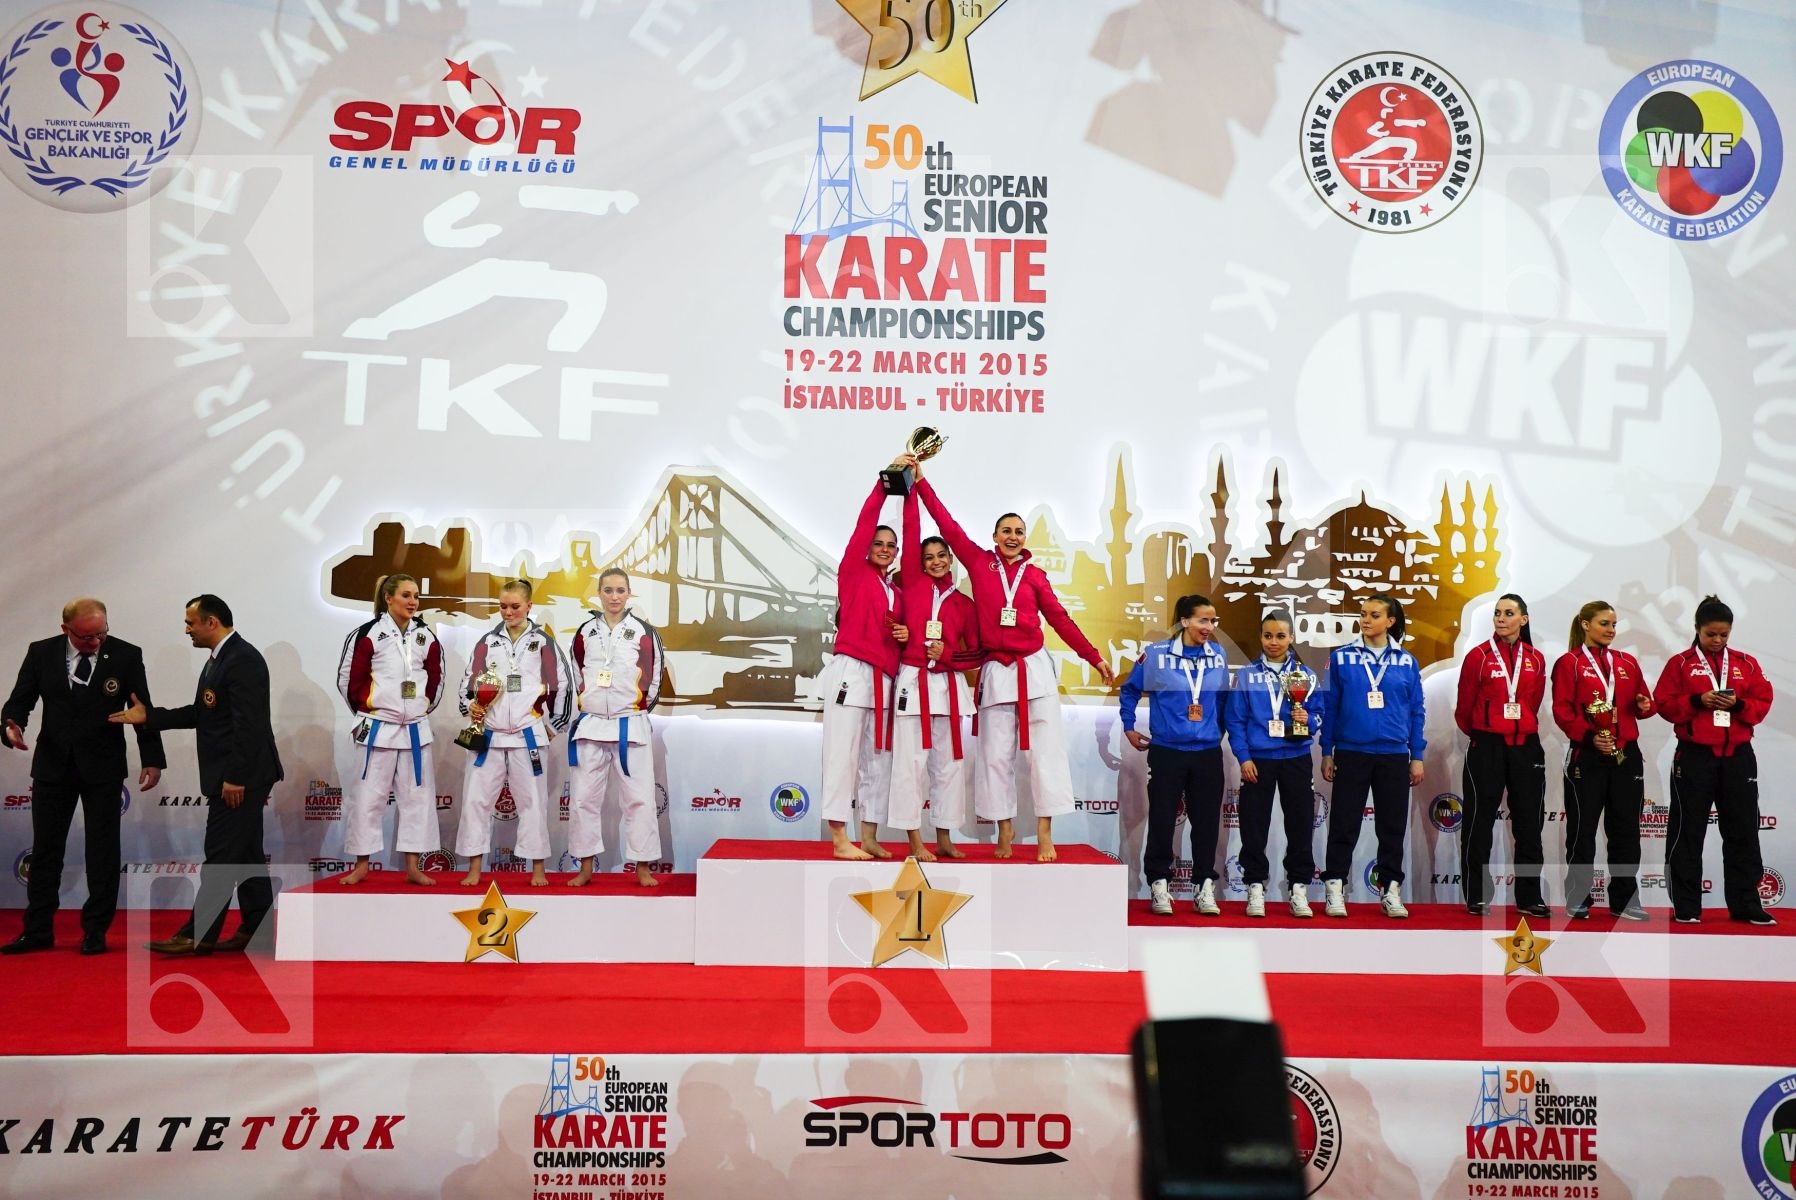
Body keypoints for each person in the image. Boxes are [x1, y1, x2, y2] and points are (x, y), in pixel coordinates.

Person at [915, 470, 1116, 861]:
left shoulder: (1035, 576)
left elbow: (1059, 619)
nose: (1012, 536)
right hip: (996, 672)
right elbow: (947, 524)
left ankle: (1045, 834)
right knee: (994, 756)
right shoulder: (977, 562)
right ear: (994, 537)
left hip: (1033, 670)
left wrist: (1093, 657)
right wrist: (921, 483)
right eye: (1005, 530)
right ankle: (1003, 832)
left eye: (1018, 531)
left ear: (1025, 539)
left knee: (1046, 756)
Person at [111, 596, 283, 955]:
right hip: (236, 774)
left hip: (241, 776)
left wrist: (235, 777)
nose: (185, 629)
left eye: (190, 622)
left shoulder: (242, 660)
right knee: (246, 853)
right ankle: (257, 931)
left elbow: (248, 726)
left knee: (220, 854)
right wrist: (150, 717)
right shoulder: (220, 660)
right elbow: (203, 713)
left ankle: (198, 934)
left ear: (212, 622)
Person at [1, 598, 163, 955]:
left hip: (103, 767)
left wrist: (152, 759)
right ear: (66, 630)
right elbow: (20, 701)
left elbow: (141, 709)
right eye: (87, 637)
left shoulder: (125, 654)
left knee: (102, 852)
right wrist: (11, 725)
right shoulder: (41, 652)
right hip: (52, 765)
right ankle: (38, 930)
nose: (96, 643)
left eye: (101, 634)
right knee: (45, 851)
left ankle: (95, 931)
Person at [1652, 595, 1776, 925]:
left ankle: (1747, 903)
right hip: (1695, 756)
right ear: (1697, 629)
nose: (1718, 640)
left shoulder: (1745, 663)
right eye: (1711, 634)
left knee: (1743, 830)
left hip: (1737, 757)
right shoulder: (1679, 664)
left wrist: (1738, 707)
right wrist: (1697, 700)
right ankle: (1686, 906)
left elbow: (1763, 701)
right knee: (1687, 831)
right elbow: (1663, 703)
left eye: (1724, 634)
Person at [454, 580, 571, 888]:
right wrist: (471, 709)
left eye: (515, 606)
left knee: (532, 803)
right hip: (489, 735)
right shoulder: (487, 642)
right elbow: (469, 682)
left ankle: (537, 870)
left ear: (529, 606)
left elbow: (562, 685)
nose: (508, 612)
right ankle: (475, 868)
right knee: (476, 802)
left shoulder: (544, 642)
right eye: (503, 606)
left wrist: (553, 726)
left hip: (526, 735)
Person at [1120, 594, 1231, 915]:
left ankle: (1204, 886)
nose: (1209, 627)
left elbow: (1222, 699)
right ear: (1184, 621)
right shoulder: (1155, 656)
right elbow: (1129, 690)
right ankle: (1158, 884)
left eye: (1213, 621)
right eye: (1203, 620)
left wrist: (1217, 731)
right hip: (1167, 751)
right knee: (1163, 820)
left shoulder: (1218, 655)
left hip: (1208, 753)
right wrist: (1128, 724)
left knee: (1208, 823)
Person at [887, 487, 981, 861]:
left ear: (951, 560)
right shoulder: (912, 584)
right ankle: (914, 841)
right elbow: (911, 530)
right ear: (920, 563)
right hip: (914, 681)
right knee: (911, 765)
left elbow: (977, 653)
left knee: (949, 765)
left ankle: (944, 836)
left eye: (943, 555)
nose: (937, 561)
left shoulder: (964, 604)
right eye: (929, 557)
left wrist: (949, 653)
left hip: (949, 686)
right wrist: (911, 489)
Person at [1318, 594, 1425, 919]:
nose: (1365, 620)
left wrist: (1416, 754)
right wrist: (1327, 750)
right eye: (1363, 614)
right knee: (1343, 825)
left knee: (1392, 828)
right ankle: (1335, 887)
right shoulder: (1341, 658)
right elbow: (1330, 707)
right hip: (1351, 752)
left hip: (1394, 755)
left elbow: (1416, 711)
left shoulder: (1406, 661)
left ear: (1390, 621)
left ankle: (1391, 889)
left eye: (1373, 615)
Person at [335, 573, 444, 886]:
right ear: (388, 598)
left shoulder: (426, 636)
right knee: (368, 798)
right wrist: (369, 709)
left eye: (416, 596)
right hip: (378, 728)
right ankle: (361, 865)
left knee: (417, 800)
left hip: (414, 730)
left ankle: (413, 866)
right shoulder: (367, 634)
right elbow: (348, 679)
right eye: (406, 595)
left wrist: (420, 708)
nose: (413, 602)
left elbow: (436, 679)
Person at [1551, 600, 1654, 920]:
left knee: (1626, 831)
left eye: (1613, 624)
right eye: (1604, 624)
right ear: (1585, 624)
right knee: (1581, 831)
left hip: (1626, 755)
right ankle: (1578, 897)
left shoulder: (1627, 662)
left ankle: (1625, 899)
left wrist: (1642, 705)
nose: (1611, 630)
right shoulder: (1568, 663)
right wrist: (1588, 736)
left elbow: (1645, 705)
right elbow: (1562, 710)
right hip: (1588, 755)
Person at [819, 476, 905, 860]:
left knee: (878, 758)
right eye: (879, 544)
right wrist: (883, 487)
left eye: (891, 546)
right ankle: (840, 839)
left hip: (884, 679)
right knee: (842, 754)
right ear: (866, 548)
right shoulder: (853, 573)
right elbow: (865, 522)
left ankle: (868, 835)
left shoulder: (896, 592)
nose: (884, 549)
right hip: (852, 672)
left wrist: (904, 634)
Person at [566, 568, 666, 888]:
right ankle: (584, 867)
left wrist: (634, 708)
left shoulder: (643, 632)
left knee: (639, 800)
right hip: (592, 723)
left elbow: (654, 677)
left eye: (620, 590)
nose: (614, 596)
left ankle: (642, 867)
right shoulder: (585, 632)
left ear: (629, 593)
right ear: (599, 592)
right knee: (583, 799)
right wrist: (591, 703)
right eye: (608, 590)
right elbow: (576, 673)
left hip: (629, 724)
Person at [1453, 593, 1550, 918]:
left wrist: (1517, 727)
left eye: (1509, 613)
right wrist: (1487, 730)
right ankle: (1477, 896)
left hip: (1525, 746)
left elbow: (1533, 703)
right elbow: (1464, 709)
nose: (1501, 618)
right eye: (1497, 613)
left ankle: (1529, 896)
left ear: (1523, 619)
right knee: (1479, 821)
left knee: (1529, 824)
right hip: (1487, 746)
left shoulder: (1536, 659)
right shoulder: (1478, 656)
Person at [1226, 608, 1319, 919]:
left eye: (1280, 636)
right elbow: (1236, 721)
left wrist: (1310, 720)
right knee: (1254, 827)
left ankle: (1299, 888)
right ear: (1260, 638)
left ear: (1291, 638)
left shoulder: (1307, 675)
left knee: (1301, 825)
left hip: (1296, 758)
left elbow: (1320, 715)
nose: (1274, 642)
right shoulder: (1246, 676)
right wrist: (1244, 757)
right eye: (1268, 636)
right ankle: (1254, 886)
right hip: (1259, 760)